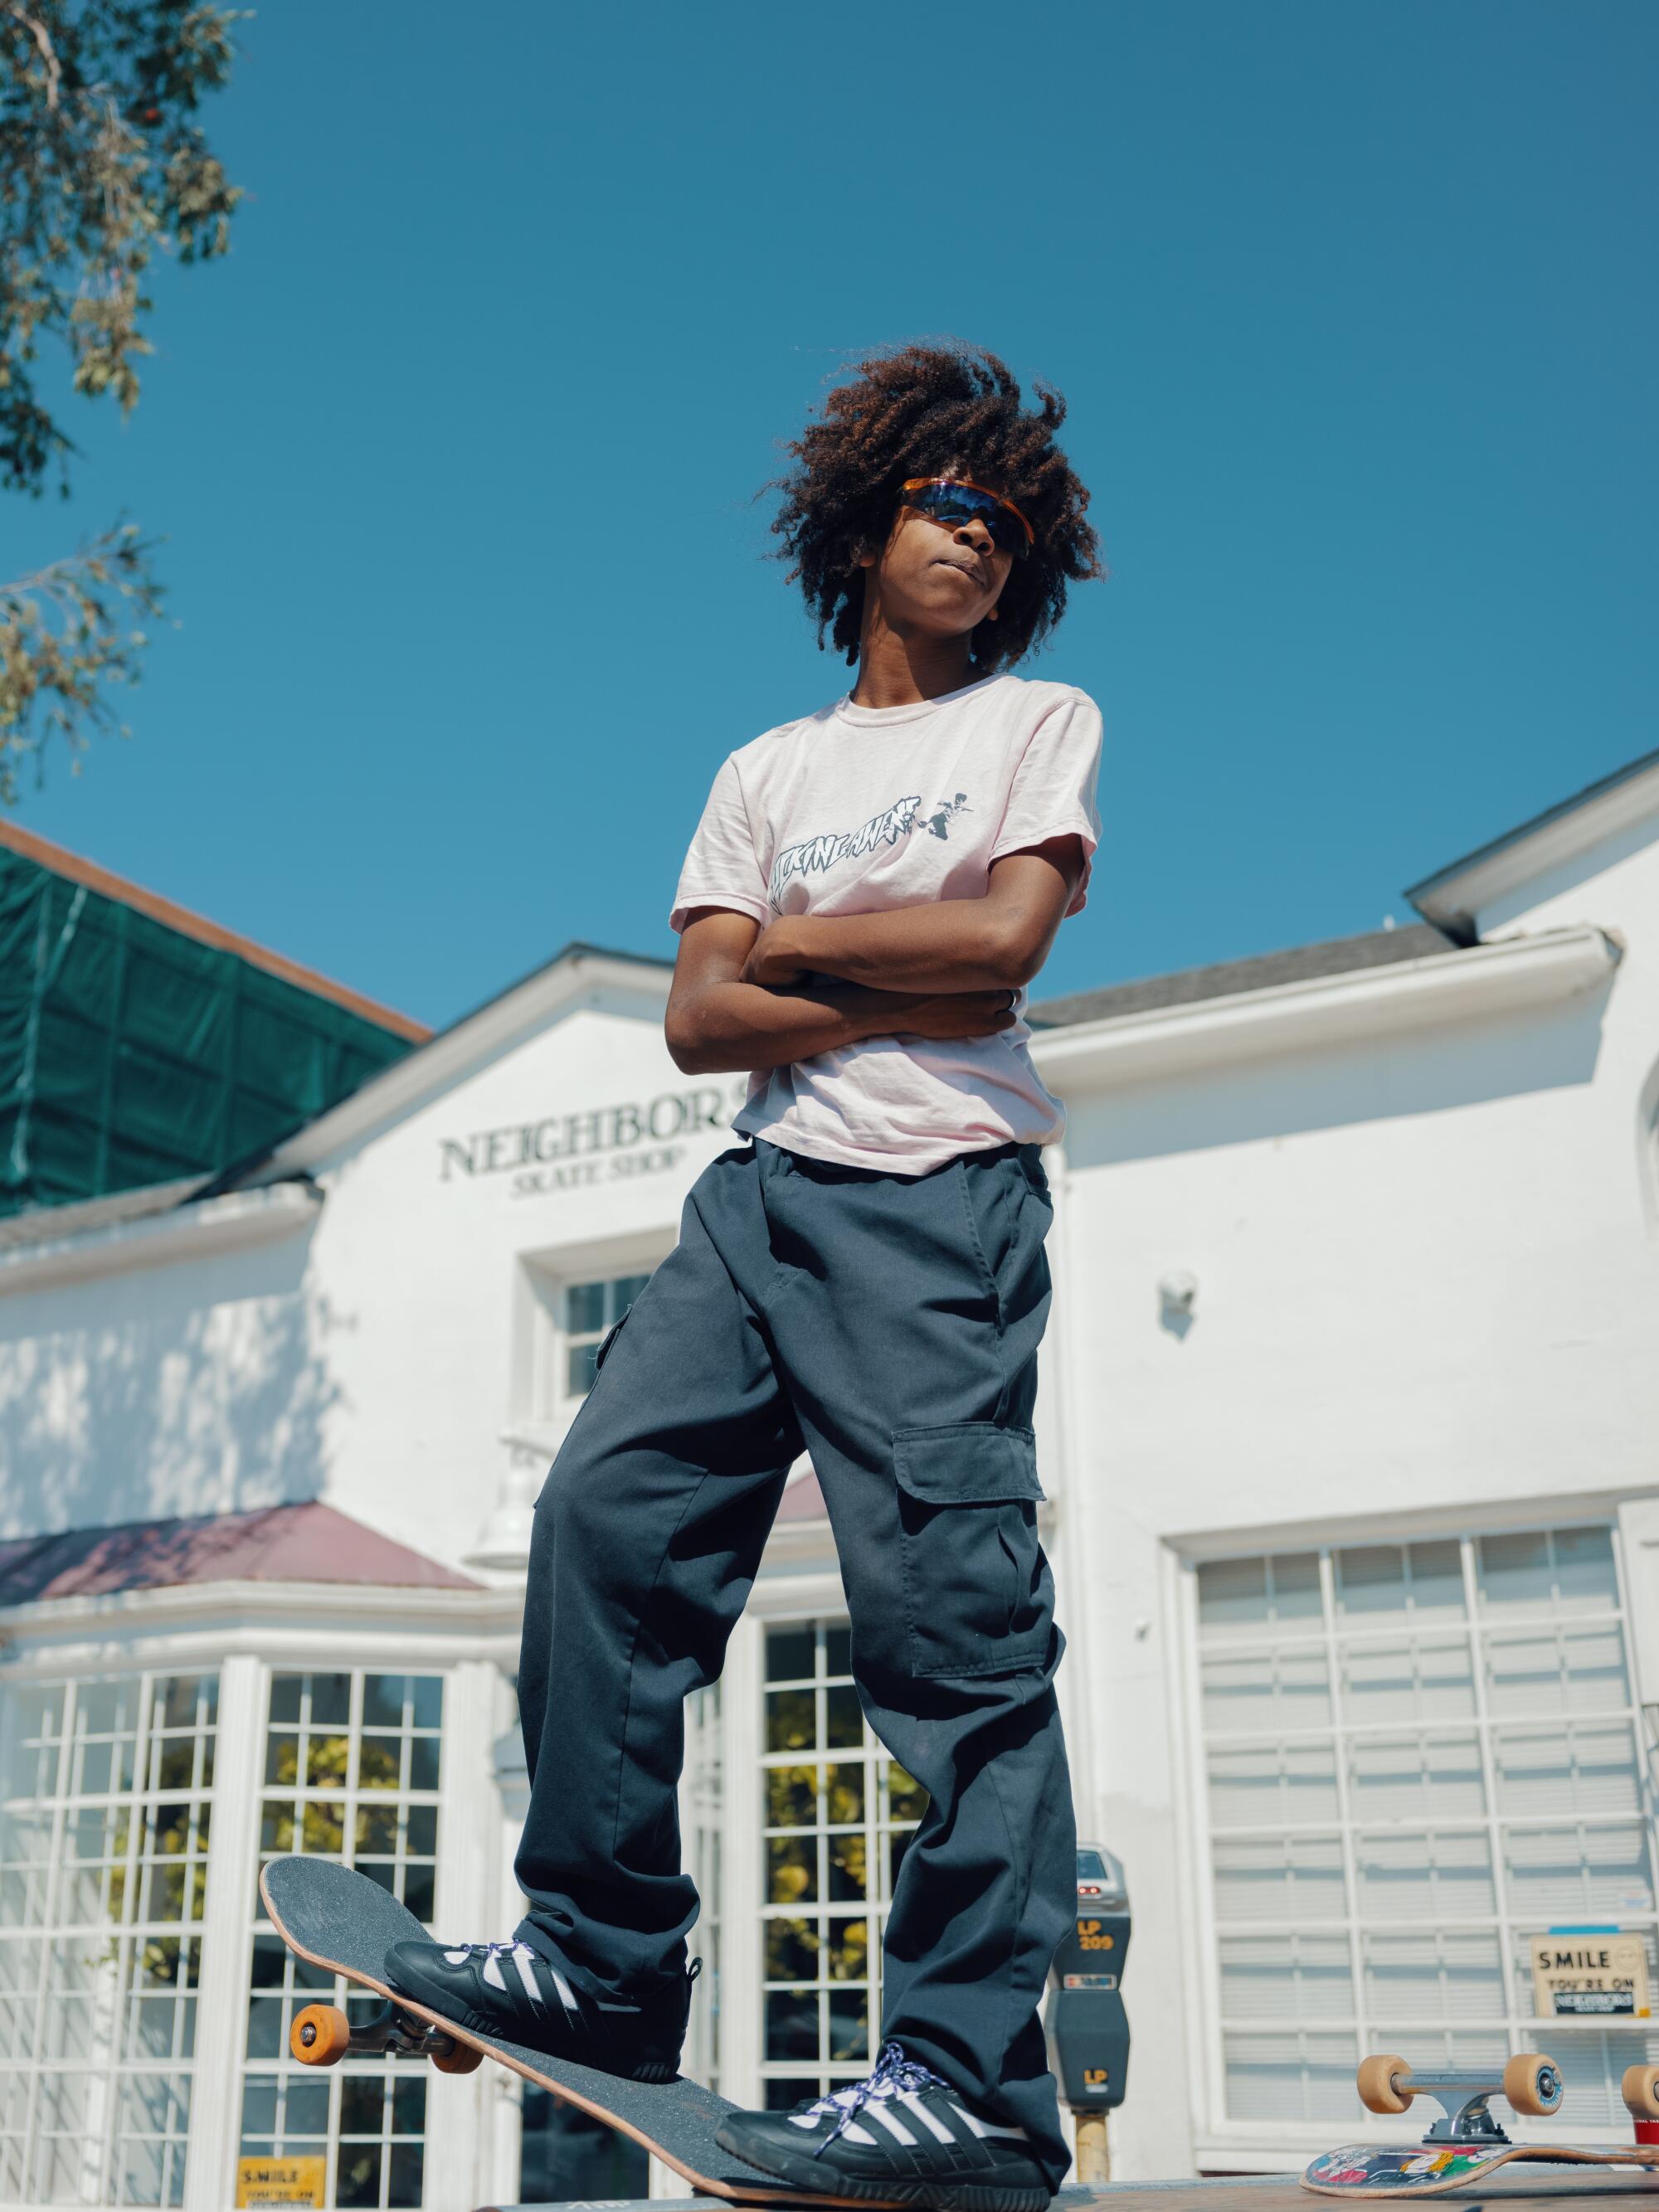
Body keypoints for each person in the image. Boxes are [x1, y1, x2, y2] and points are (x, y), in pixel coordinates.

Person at [387, 341, 1105, 2212]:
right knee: (605, 1525)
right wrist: (890, 945)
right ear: (867, 519)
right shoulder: (766, 765)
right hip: (758, 1195)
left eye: (1009, 530)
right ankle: (604, 1961)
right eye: (953, 506)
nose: (979, 542)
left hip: (937, 1197)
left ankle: (963, 2080)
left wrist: (807, 940)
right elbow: (702, 1020)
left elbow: (1007, 949)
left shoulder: (1035, 724)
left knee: (950, 1630)